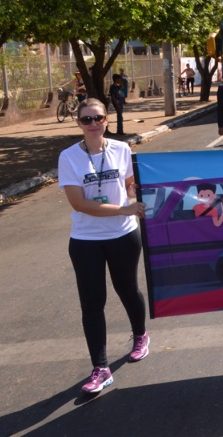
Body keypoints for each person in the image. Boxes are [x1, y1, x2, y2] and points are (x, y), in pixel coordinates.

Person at [57, 99, 149, 394]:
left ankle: (140, 335)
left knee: (127, 290)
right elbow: (79, 203)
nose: (93, 123)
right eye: (86, 120)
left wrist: (136, 198)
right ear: (78, 124)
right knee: (92, 302)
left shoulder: (121, 149)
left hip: (123, 235)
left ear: (107, 120)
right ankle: (100, 368)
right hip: (86, 240)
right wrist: (123, 209)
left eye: (98, 118)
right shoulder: (69, 157)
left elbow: (130, 183)